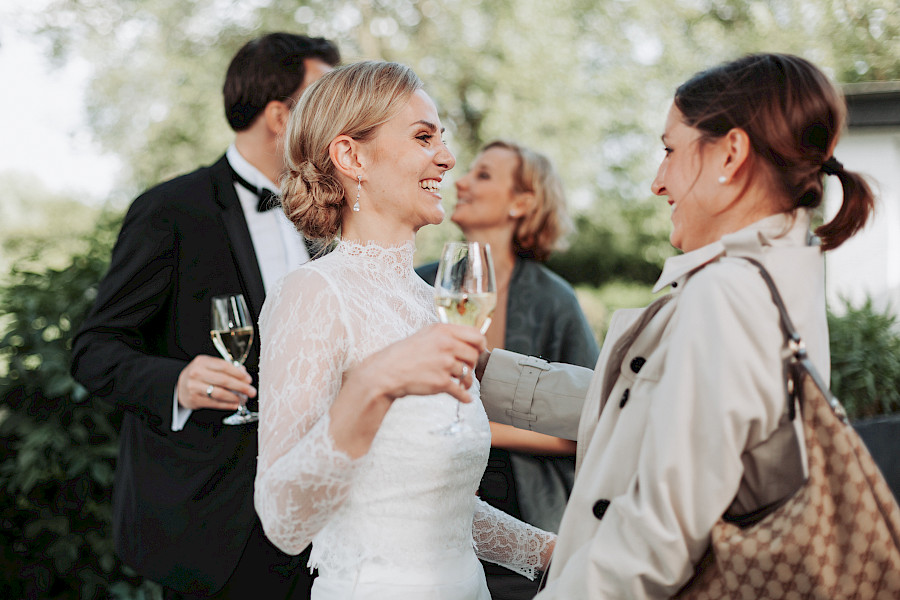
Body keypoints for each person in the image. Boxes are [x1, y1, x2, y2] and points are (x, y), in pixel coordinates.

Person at [476, 52, 875, 598]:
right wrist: (485, 374)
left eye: (669, 150)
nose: (657, 182)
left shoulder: (726, 293)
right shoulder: (783, 273)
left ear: (731, 153)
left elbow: (653, 535)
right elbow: (641, 402)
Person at [253, 60, 556, 600]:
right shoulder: (313, 294)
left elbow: (436, 504)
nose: (447, 157)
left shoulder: (431, 301)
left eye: (442, 138)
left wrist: (554, 552)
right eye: (423, 137)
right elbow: (283, 520)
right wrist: (372, 386)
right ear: (351, 157)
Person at [70, 33, 340, 599]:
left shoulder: (326, 212)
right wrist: (178, 381)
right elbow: (94, 349)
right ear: (279, 114)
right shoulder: (172, 211)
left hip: (324, 509)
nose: (337, 118)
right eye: (323, 101)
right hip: (217, 522)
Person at [417, 140, 599, 599]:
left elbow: (589, 422)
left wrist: (483, 431)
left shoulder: (555, 300)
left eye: (483, 175)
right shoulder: (419, 284)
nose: (459, 180)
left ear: (523, 202)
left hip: (526, 511)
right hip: (432, 505)